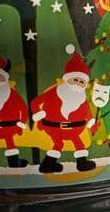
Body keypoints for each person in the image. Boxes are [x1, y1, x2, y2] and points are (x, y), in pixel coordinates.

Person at [31, 46, 97, 174]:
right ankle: (48, 164)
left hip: (75, 129)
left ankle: (81, 163)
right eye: (74, 80)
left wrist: (90, 120)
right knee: (58, 144)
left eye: (81, 81)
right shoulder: (54, 92)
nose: (77, 83)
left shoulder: (81, 98)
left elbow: (87, 110)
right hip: (54, 128)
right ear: (67, 79)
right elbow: (36, 102)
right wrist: (38, 113)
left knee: (77, 143)